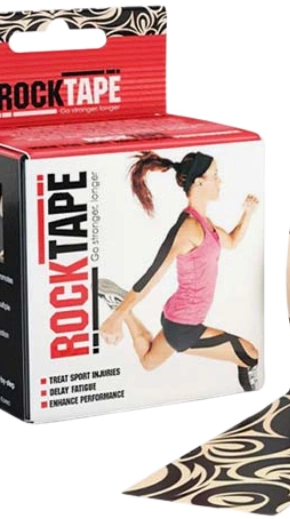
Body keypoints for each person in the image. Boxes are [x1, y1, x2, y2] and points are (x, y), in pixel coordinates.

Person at [98, 150, 260, 390]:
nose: (220, 181)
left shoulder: (205, 223)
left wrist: (247, 213)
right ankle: (252, 395)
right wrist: (115, 318)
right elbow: (152, 275)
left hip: (178, 316)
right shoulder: (187, 229)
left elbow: (232, 242)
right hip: (184, 325)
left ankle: (127, 311)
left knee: (148, 362)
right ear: (199, 182)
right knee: (250, 355)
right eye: (215, 175)